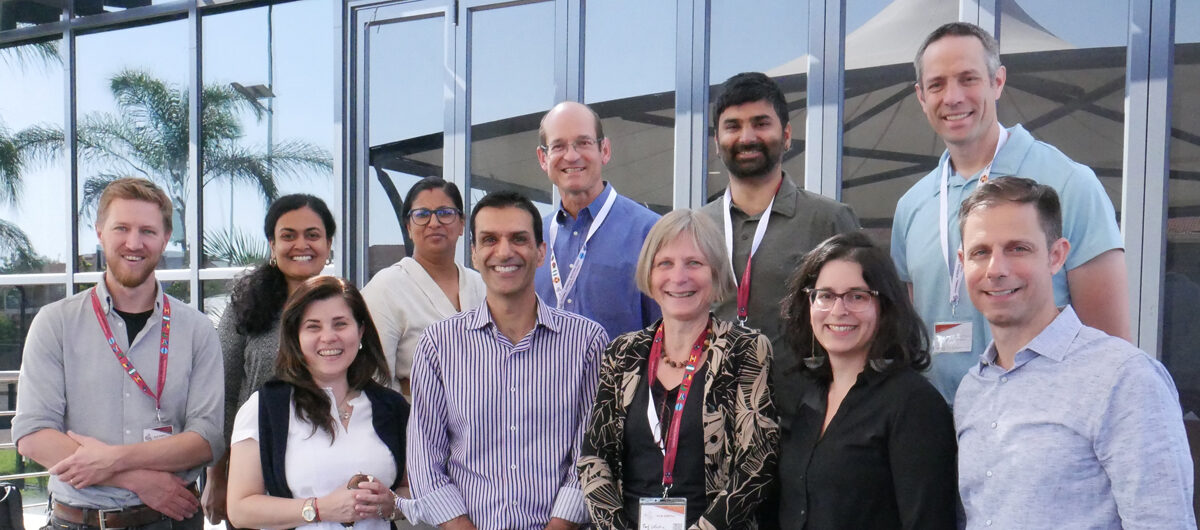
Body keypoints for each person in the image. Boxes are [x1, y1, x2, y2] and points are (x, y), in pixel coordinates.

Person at [892, 22, 1127, 402]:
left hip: (1042, 425)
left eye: (968, 79)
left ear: (997, 82)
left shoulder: (1069, 183)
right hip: (936, 431)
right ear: (921, 96)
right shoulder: (912, 206)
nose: (952, 97)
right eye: (937, 85)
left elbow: (1112, 347)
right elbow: (907, 333)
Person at [954, 177, 1194, 528]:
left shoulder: (1124, 379)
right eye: (981, 252)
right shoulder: (972, 389)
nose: (996, 270)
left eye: (1018, 248)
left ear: (1056, 256)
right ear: (963, 263)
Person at [14, 177, 223, 529]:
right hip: (77, 520)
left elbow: (206, 440)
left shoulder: (196, 329)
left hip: (171, 520)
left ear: (166, 238)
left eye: (148, 231)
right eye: (121, 228)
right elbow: (34, 434)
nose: (134, 242)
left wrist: (112, 460)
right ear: (100, 232)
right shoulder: (56, 323)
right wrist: (135, 479)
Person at [405, 191, 609, 530]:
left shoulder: (586, 342)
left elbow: (592, 456)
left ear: (541, 251)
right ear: (473, 253)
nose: (504, 252)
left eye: (518, 239)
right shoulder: (438, 346)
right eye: (489, 240)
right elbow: (425, 460)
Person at [578, 209, 778, 529]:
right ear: (649, 273)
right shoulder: (622, 353)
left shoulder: (747, 350)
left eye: (694, 263)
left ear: (714, 273)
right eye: (665, 263)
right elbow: (593, 459)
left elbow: (757, 465)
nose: (678, 277)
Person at [701, 72, 859, 414]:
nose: (747, 137)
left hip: (803, 422)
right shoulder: (698, 227)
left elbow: (866, 322)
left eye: (761, 123)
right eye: (732, 126)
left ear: (786, 136)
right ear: (716, 142)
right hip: (712, 424)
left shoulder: (829, 220)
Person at [776, 232, 957, 529]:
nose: (839, 310)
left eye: (857, 296)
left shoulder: (913, 404)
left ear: (884, 306)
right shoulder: (812, 395)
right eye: (825, 295)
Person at [225, 275, 410, 529]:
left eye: (340, 324)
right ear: (296, 337)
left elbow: (416, 489)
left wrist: (394, 504)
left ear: (361, 331)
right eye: (313, 326)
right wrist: (320, 509)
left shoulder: (393, 407)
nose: (328, 337)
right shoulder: (266, 408)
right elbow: (240, 509)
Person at [205, 193, 337, 525]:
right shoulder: (247, 306)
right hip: (255, 476)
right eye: (288, 235)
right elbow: (223, 391)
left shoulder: (345, 306)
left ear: (329, 243)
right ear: (272, 244)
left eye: (312, 234)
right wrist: (217, 478)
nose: (301, 244)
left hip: (329, 473)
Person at [534, 101, 662, 339]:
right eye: (558, 146)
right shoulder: (532, 238)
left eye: (583, 143)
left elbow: (668, 335)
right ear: (543, 158)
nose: (571, 156)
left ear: (605, 150)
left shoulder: (651, 233)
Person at [362, 176, 485, 397]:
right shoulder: (386, 287)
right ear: (408, 227)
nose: (434, 223)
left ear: (461, 224)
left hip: (485, 422)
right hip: (413, 422)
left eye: (445, 213)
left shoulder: (482, 285)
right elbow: (376, 381)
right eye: (422, 215)